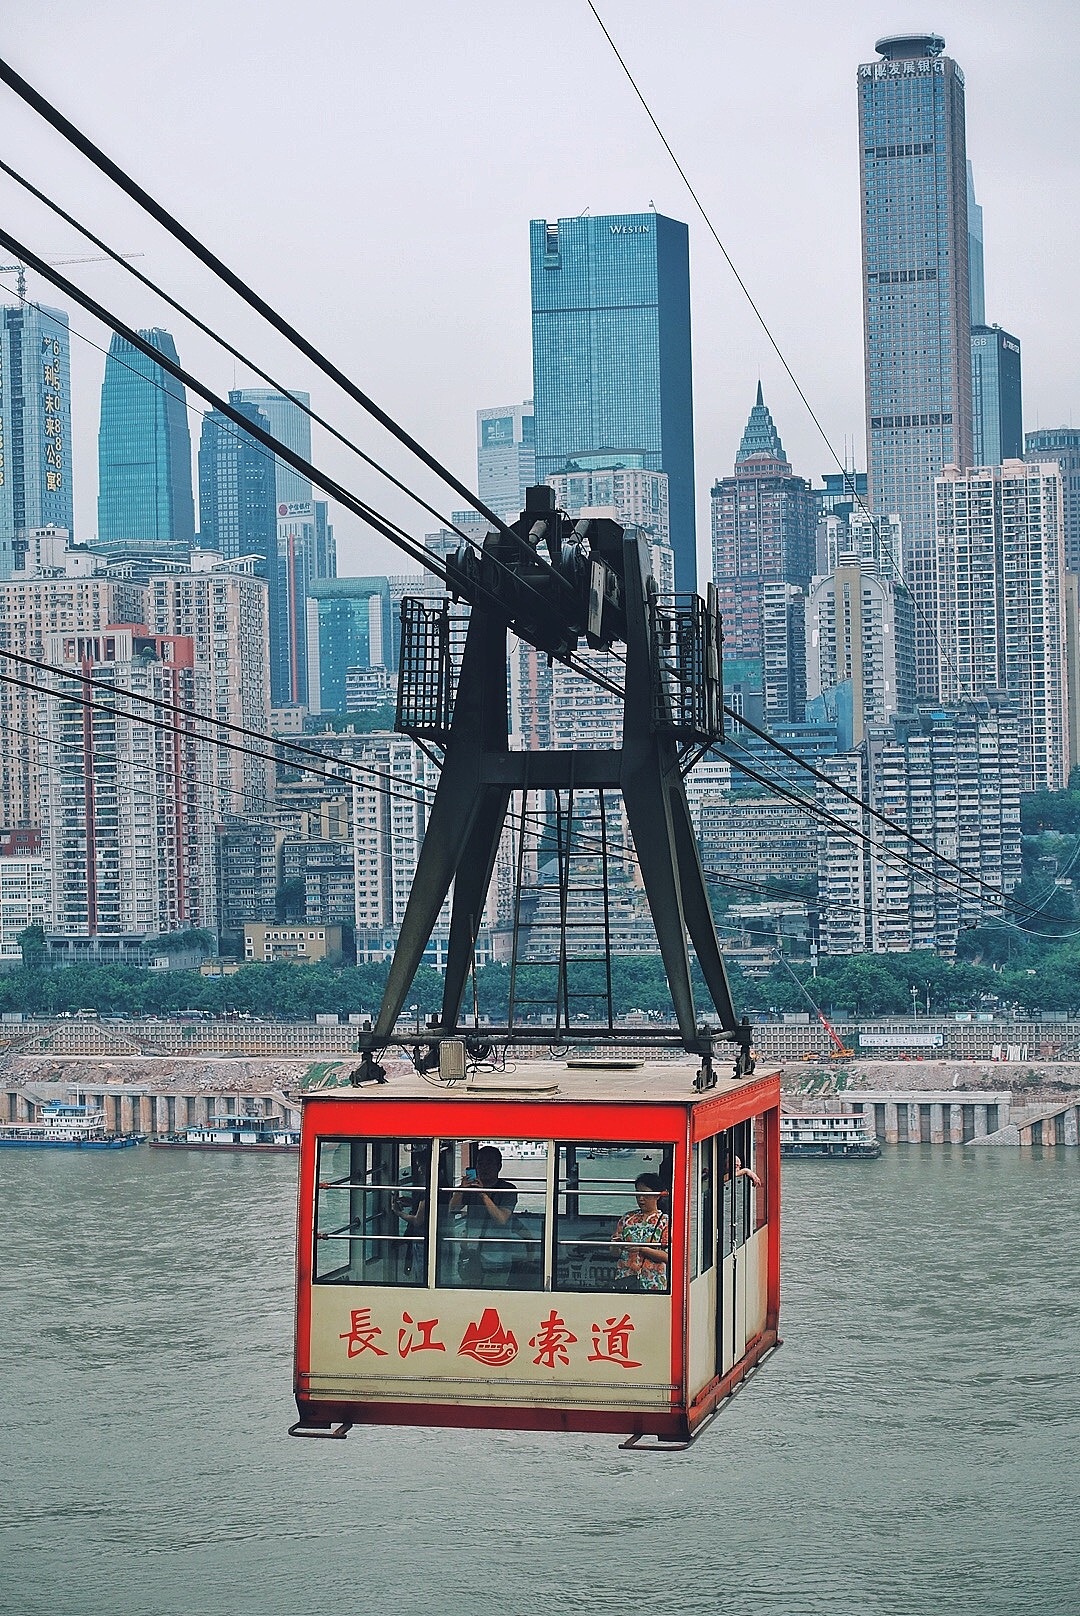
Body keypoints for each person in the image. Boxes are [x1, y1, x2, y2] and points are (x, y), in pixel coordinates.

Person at [450, 1145, 518, 1286]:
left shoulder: (508, 1189)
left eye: (489, 1163)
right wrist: (461, 1190)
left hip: (497, 1258)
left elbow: (501, 1219)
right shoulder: (470, 1189)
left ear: (499, 1166)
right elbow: (452, 1209)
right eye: (480, 1163)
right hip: (471, 1255)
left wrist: (483, 1194)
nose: (484, 1168)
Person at [610, 1172, 670, 1292]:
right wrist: (615, 1245)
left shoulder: (665, 1221)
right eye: (638, 1193)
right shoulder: (627, 1218)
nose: (641, 1198)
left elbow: (668, 1257)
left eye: (645, 1194)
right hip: (626, 1279)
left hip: (653, 1281)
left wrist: (642, 1249)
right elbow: (614, 1253)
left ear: (657, 1196)